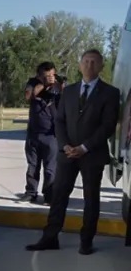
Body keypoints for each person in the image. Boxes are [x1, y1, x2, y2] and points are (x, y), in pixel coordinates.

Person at [26, 49, 120, 255]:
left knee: (91, 199)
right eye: (86, 61)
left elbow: (108, 125)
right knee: (59, 196)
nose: (89, 65)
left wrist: (84, 147)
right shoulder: (68, 91)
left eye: (94, 62)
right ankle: (50, 237)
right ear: (80, 65)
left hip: (92, 155)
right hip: (67, 154)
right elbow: (59, 120)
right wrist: (65, 145)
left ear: (101, 66)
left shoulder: (110, 93)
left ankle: (86, 241)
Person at [22, 61, 63, 204]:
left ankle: (49, 195)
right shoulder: (33, 83)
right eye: (46, 76)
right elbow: (28, 96)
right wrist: (44, 84)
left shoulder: (58, 83)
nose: (50, 77)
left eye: (52, 74)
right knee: (32, 166)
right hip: (34, 133)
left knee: (50, 168)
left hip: (51, 135)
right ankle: (31, 192)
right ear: (39, 76)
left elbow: (67, 97)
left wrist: (58, 85)